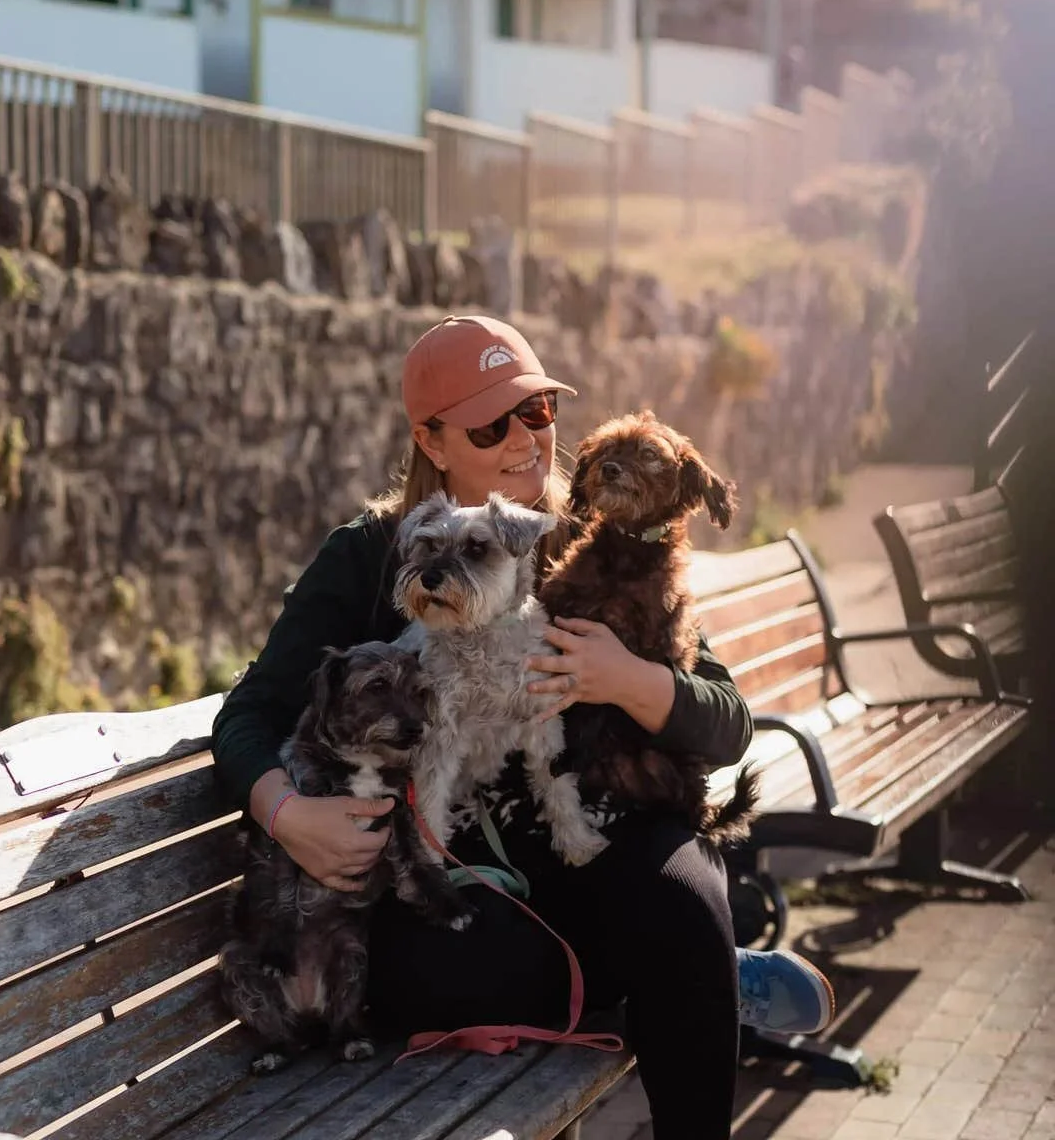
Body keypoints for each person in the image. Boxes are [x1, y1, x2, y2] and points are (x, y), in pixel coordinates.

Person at [212, 316, 835, 1137]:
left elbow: (727, 724)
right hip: (454, 871)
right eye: (489, 424)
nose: (524, 440)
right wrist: (288, 815)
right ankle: (697, 974)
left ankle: (691, 962)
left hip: (596, 840)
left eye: (537, 413)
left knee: (686, 899)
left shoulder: (599, 540)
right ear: (429, 440)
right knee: (456, 972)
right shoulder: (371, 556)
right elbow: (247, 716)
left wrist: (634, 679)